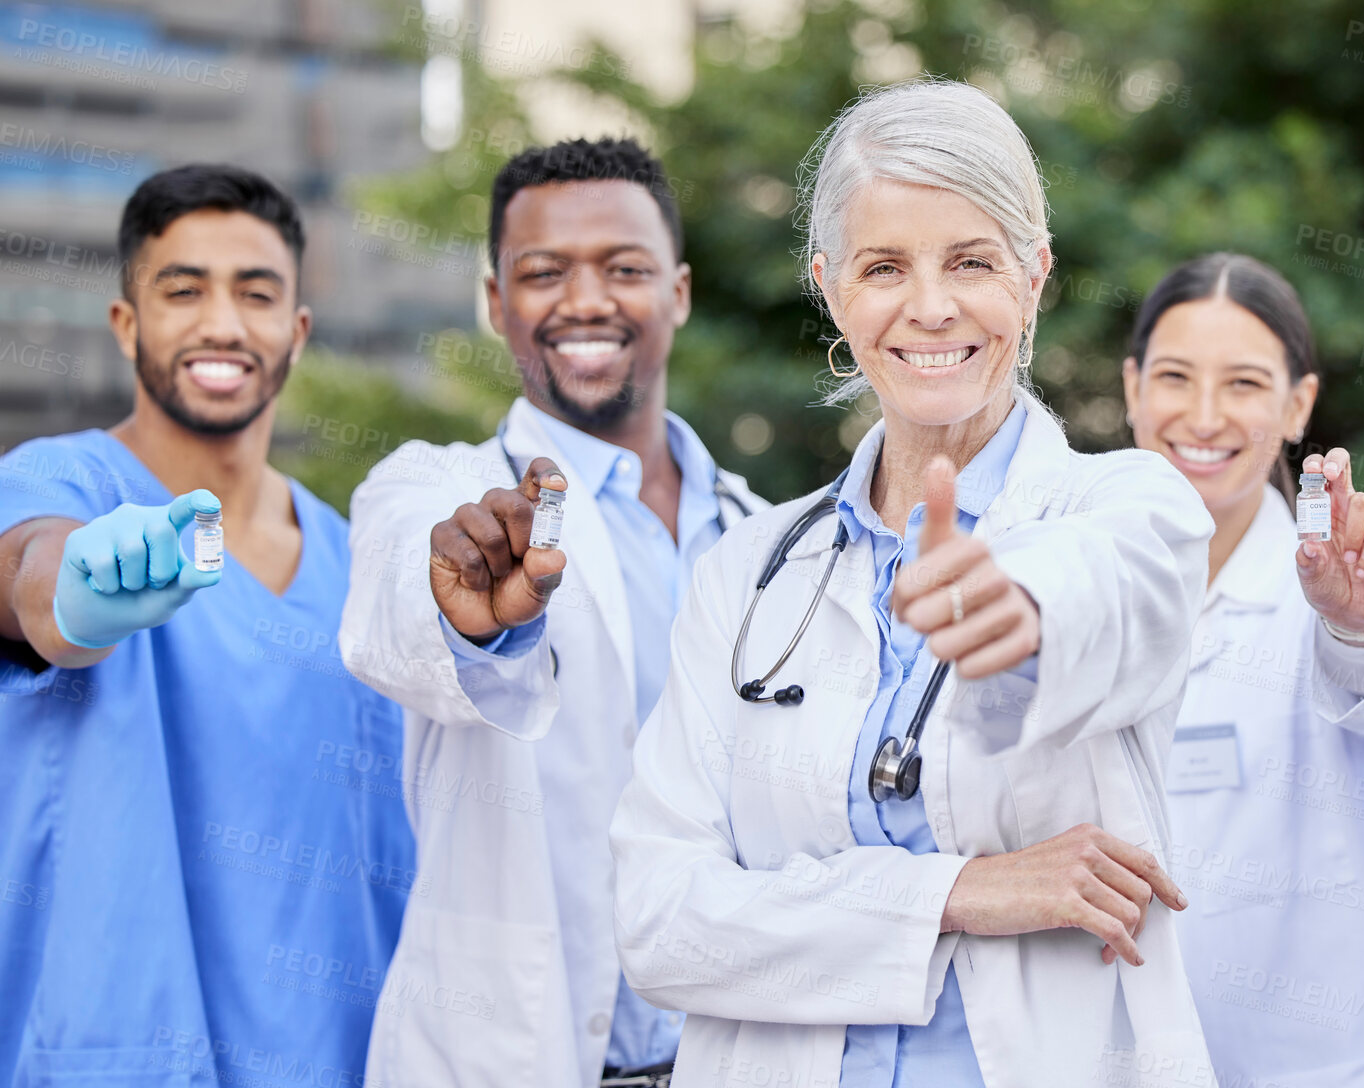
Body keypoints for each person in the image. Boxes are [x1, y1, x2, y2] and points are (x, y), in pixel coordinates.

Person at [608, 79, 1218, 1088]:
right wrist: (959, 893)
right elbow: (661, 921)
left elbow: (1110, 592)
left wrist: (1018, 610)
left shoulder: (1128, 507)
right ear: (830, 286)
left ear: (1034, 276)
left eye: (971, 261)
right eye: (884, 266)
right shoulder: (746, 574)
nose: (930, 306)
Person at [339, 137, 763, 1088]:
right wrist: (480, 616)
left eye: (624, 269)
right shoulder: (433, 494)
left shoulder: (769, 537)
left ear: (679, 293)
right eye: (543, 272)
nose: (585, 301)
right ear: (496, 302)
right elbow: (400, 626)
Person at [0, 165, 413, 1082]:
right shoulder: (62, 486)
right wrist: (73, 593)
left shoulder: (356, 566)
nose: (221, 323)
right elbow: (28, 569)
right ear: (126, 323)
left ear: (296, 333)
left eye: (255, 293)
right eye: (181, 290)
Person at [1120, 253, 1364, 1086]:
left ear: (1297, 404)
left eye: (1242, 383)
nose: (1203, 416)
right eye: (1173, 377)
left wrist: (1352, 620)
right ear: (1131, 389)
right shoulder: (1080, 582)